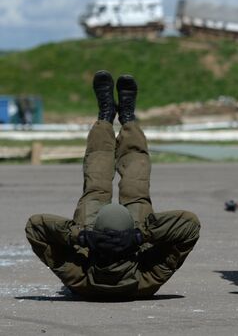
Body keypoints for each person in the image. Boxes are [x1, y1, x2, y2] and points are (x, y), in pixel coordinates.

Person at [25, 71, 200, 299]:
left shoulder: (84, 279)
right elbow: (190, 225)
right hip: (126, 237)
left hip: (94, 242)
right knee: (134, 188)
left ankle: (105, 118)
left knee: (98, 186)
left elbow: (34, 227)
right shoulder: (143, 279)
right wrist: (137, 238)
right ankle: (127, 120)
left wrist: (83, 238)